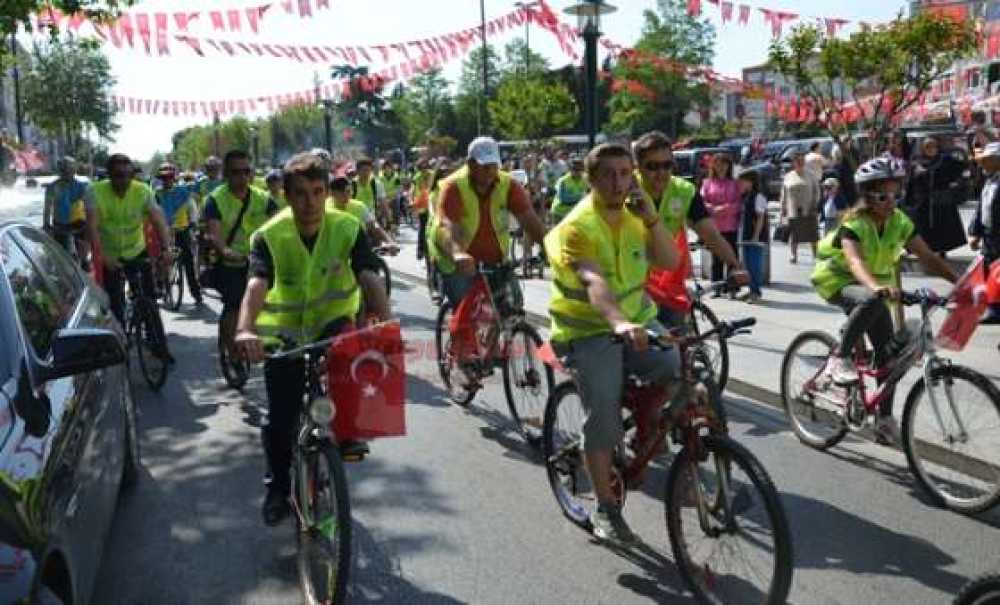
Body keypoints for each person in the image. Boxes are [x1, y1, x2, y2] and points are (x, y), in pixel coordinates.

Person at [233, 152, 390, 525]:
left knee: (351, 353)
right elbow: (257, 284)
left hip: (331, 323)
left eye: (318, 192)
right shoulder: (269, 236)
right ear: (286, 196)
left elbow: (368, 274)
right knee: (281, 418)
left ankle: (347, 430)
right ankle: (276, 487)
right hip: (283, 337)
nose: (311, 203)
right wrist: (244, 328)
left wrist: (386, 320)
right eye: (300, 194)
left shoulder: (347, 227)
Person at [544, 142, 681, 545]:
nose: (619, 182)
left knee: (677, 366)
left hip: (638, 321)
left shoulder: (637, 214)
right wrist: (619, 322)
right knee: (602, 416)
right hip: (586, 330)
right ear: (590, 179)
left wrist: (652, 218)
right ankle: (605, 507)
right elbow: (593, 280)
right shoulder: (578, 226)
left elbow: (670, 262)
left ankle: (644, 431)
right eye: (608, 174)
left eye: (626, 173)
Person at [811, 157, 958, 444]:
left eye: (895, 194)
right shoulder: (854, 223)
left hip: (876, 290)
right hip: (838, 280)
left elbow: (927, 257)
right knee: (870, 301)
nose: (891, 201)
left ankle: (884, 420)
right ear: (867, 196)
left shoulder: (899, 221)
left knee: (887, 358)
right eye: (882, 195)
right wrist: (876, 287)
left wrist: (960, 284)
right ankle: (838, 359)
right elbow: (854, 262)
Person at [631, 131, 748, 328]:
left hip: (666, 280)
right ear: (638, 167)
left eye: (667, 165)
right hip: (631, 280)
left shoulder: (684, 191)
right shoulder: (625, 187)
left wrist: (735, 265)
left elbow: (711, 235)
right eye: (652, 166)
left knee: (677, 341)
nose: (661, 173)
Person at [429, 136, 546, 307]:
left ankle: (503, 332)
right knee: (467, 312)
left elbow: (529, 219)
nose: (490, 172)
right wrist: (457, 253)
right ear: (470, 164)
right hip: (457, 257)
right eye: (484, 167)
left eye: (494, 166)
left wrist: (551, 247)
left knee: (513, 307)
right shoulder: (453, 186)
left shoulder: (509, 184)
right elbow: (447, 225)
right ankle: (460, 333)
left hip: (495, 260)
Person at [84, 153, 175, 359]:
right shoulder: (94, 192)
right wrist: (103, 257)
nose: (124, 180)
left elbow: (159, 221)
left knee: (149, 297)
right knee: (115, 303)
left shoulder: (143, 191)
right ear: (109, 175)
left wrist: (167, 249)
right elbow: (92, 227)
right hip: (110, 253)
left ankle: (158, 345)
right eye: (118, 175)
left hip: (136, 250)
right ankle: (119, 347)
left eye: (128, 175)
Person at [203, 150, 280, 365]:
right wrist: (225, 251)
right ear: (226, 174)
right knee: (234, 306)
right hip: (230, 262)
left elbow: (281, 225)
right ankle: (231, 351)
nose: (243, 177)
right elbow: (215, 234)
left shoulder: (264, 198)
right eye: (236, 172)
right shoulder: (215, 200)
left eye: (247, 171)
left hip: (260, 260)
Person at [904, 135, 968, 257]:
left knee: (942, 226)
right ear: (923, 148)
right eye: (928, 147)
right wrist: (909, 198)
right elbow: (911, 182)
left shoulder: (944, 160)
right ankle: (921, 249)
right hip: (923, 201)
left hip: (941, 200)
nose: (931, 149)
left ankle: (941, 249)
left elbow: (961, 166)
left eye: (933, 146)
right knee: (920, 227)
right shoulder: (917, 162)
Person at [154, 163, 203, 305]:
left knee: (188, 261)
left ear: (174, 178)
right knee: (160, 258)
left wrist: (193, 223)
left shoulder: (183, 192)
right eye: (164, 178)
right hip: (163, 231)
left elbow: (192, 208)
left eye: (169, 177)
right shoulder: (156, 194)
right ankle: (160, 286)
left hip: (182, 230)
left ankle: (196, 292)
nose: (166, 180)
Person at [700, 153, 743, 297]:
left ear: (729, 166)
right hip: (714, 226)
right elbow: (702, 202)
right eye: (718, 164)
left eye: (724, 164)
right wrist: (713, 209)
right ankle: (716, 288)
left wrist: (725, 209)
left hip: (731, 225)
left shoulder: (734, 183)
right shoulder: (707, 183)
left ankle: (732, 288)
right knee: (716, 258)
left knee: (731, 257)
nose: (721, 167)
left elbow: (739, 203)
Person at [970, 142, 1000, 324]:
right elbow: (982, 208)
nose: (983, 164)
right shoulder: (989, 180)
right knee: (989, 270)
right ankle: (993, 307)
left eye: (987, 160)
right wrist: (975, 232)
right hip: (990, 234)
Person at [42, 156, 90, 266]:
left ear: (74, 171)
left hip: (79, 224)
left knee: (83, 254)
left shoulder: (81, 186)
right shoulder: (52, 187)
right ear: (60, 171)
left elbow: (89, 207)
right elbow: (47, 208)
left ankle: (84, 261)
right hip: (60, 225)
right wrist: (46, 225)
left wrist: (91, 224)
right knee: (62, 256)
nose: (67, 172)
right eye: (64, 170)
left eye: (70, 170)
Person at [328, 175, 398, 249]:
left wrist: (389, 241)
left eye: (349, 191)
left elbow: (374, 225)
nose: (347, 195)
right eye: (342, 193)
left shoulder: (359, 206)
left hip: (358, 249)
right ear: (332, 194)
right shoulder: (325, 207)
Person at [780, 150, 821, 263]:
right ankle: (794, 255)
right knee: (794, 235)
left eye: (802, 160)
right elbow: (784, 193)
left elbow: (817, 191)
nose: (800, 162)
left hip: (808, 209)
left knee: (812, 234)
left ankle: (815, 255)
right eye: (797, 160)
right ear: (793, 162)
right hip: (793, 209)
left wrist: (815, 204)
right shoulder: (788, 176)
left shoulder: (811, 175)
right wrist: (782, 208)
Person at [737, 169, 768, 303]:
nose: (740, 184)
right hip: (746, 235)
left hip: (754, 238)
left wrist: (756, 236)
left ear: (751, 182)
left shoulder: (758, 196)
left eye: (743, 181)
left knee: (754, 266)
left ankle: (756, 292)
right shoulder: (745, 196)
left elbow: (760, 218)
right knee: (748, 265)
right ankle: (751, 290)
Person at [549, 156, 588, 225]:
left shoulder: (585, 180)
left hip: (574, 212)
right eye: (574, 169)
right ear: (570, 169)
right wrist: (580, 197)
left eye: (579, 169)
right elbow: (563, 199)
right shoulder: (563, 181)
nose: (577, 171)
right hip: (560, 213)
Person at [353, 157, 387, 221]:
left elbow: (383, 203)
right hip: (355, 220)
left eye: (368, 170)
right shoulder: (352, 185)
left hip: (371, 220)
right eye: (363, 170)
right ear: (357, 171)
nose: (366, 173)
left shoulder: (376, 184)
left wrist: (389, 221)